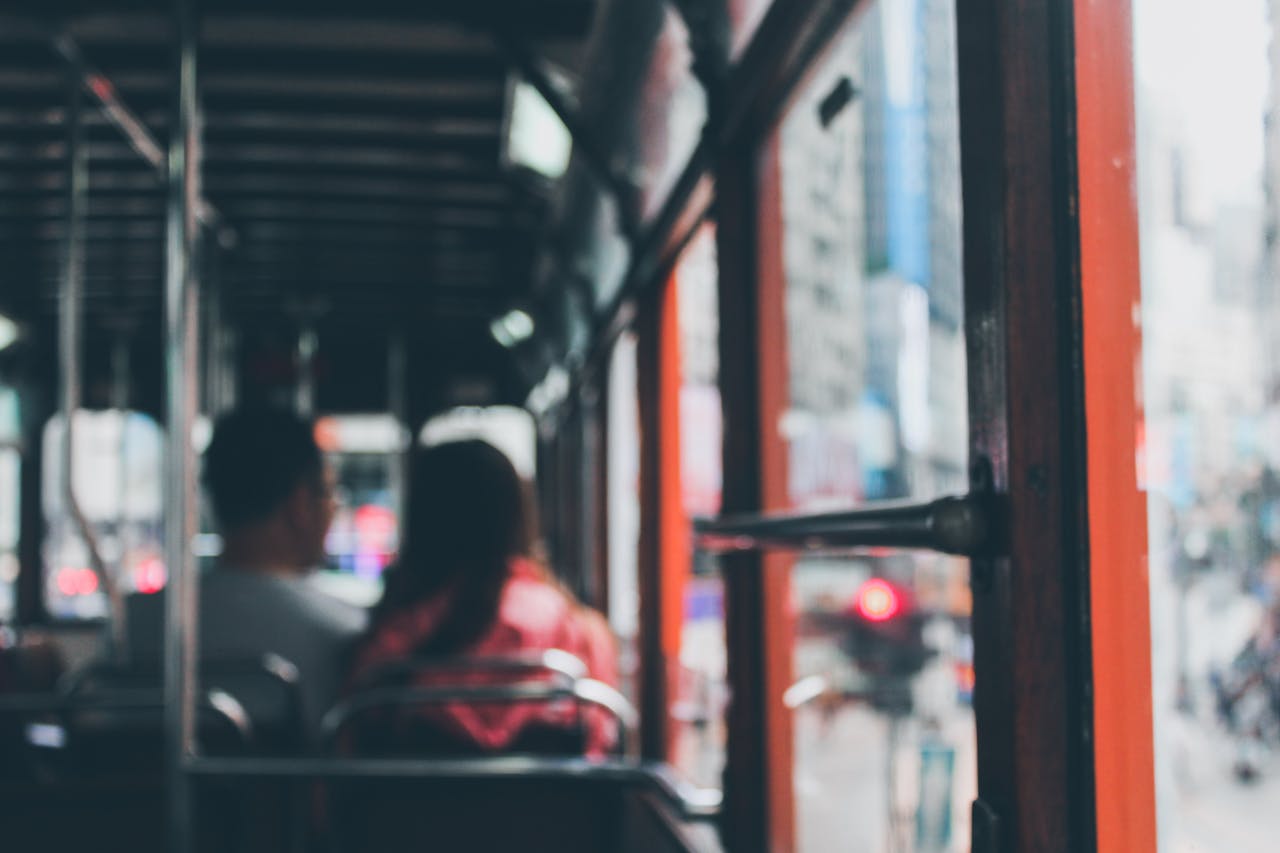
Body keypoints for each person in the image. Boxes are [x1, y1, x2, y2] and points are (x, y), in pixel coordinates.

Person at [347, 439, 618, 755]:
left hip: (411, 803)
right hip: (542, 803)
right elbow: (600, 750)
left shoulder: (393, 640)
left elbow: (353, 748)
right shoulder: (575, 632)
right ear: (519, 517)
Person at [127, 407, 366, 738]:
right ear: (299, 504)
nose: (334, 509)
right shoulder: (344, 632)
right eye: (330, 493)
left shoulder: (132, 624)